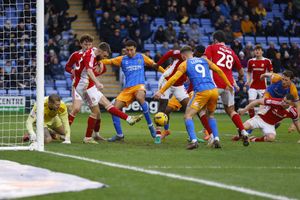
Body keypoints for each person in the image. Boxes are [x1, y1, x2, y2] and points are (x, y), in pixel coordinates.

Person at [154, 45, 234, 149]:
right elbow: (219, 71)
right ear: (192, 53)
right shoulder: (204, 60)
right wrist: (229, 84)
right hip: (214, 90)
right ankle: (216, 138)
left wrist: (161, 91)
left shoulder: (184, 64)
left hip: (201, 92)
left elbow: (173, 79)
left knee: (188, 116)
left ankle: (193, 140)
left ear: (183, 56)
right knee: (210, 115)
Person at [74, 40, 143, 144]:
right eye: (104, 55)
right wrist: (97, 82)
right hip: (83, 86)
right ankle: (87, 138)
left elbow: (93, 62)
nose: (104, 57)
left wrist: (100, 63)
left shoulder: (94, 51)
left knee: (107, 104)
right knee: (95, 112)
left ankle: (129, 119)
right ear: (101, 51)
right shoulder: (90, 56)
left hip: (89, 84)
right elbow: (88, 71)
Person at [101, 40, 165, 143]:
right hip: (127, 90)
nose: (129, 52)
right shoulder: (122, 59)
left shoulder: (142, 57)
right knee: (114, 110)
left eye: (131, 50)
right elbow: (108, 61)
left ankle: (151, 127)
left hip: (139, 86)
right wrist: (95, 60)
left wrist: (166, 73)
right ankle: (119, 135)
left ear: (135, 49)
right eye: (127, 50)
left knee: (140, 97)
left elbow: (155, 65)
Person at [204, 30, 250, 141]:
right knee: (231, 110)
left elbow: (205, 61)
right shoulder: (231, 52)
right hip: (229, 85)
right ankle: (243, 130)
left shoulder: (211, 47)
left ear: (215, 40)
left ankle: (211, 136)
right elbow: (241, 72)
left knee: (207, 112)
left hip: (214, 83)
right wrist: (238, 80)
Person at [245, 45, 273, 118]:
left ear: (262, 52)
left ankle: (263, 120)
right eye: (256, 50)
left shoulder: (267, 61)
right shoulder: (250, 61)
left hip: (263, 86)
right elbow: (248, 72)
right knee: (251, 102)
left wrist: (265, 75)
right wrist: (248, 80)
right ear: (254, 52)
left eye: (259, 50)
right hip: (253, 85)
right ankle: (252, 120)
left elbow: (271, 73)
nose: (257, 51)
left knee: (263, 104)